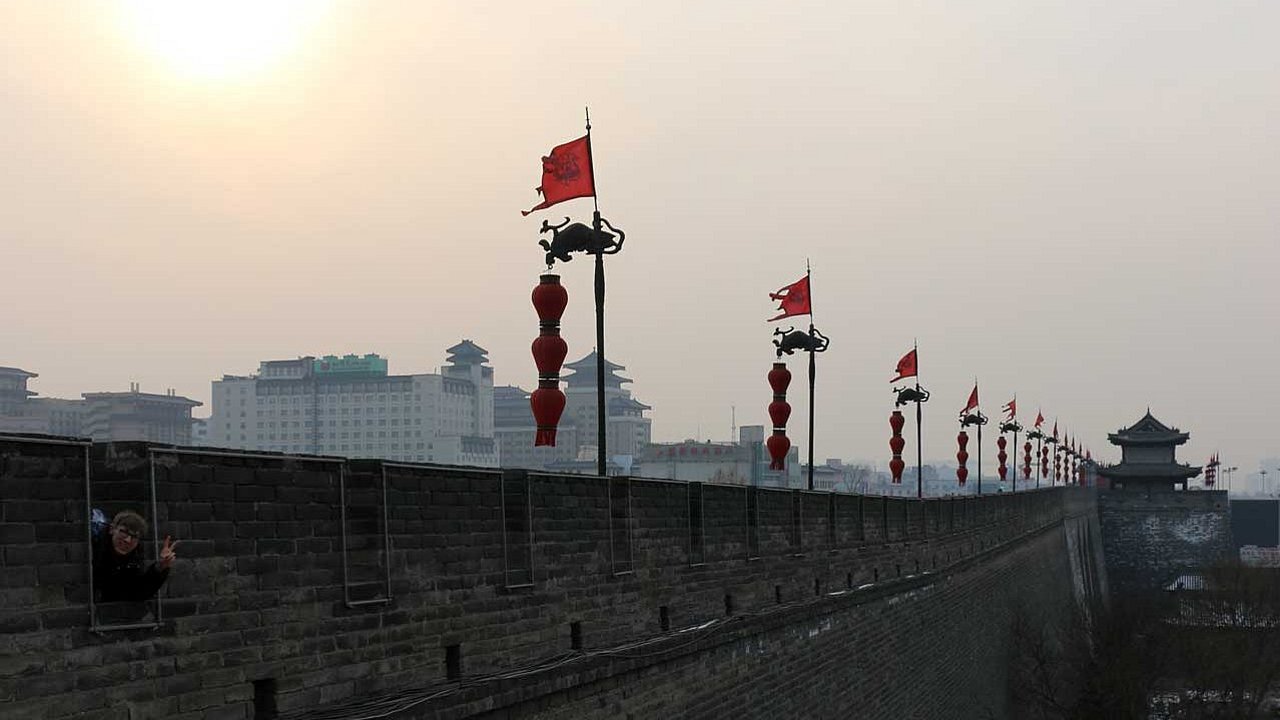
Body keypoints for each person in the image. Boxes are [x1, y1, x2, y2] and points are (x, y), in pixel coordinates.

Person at [91, 509, 177, 603]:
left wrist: (160, 568)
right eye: (124, 532)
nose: (128, 540)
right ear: (112, 529)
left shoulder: (135, 557)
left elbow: (137, 592)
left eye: (134, 537)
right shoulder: (94, 549)